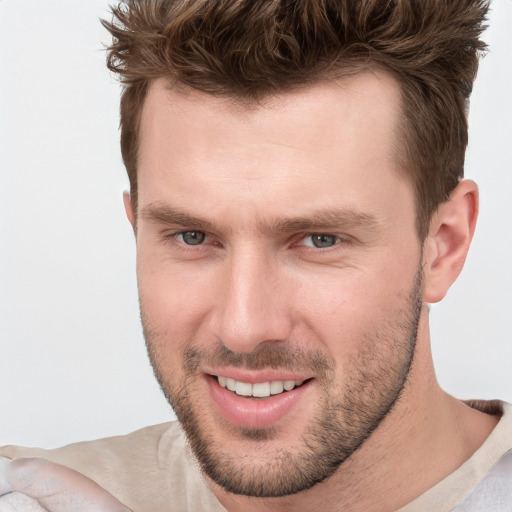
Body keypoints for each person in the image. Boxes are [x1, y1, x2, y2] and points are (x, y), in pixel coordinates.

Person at [1, 0, 510, 510]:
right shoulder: (32, 493)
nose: (243, 327)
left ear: (444, 246)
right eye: (192, 237)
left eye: (319, 240)